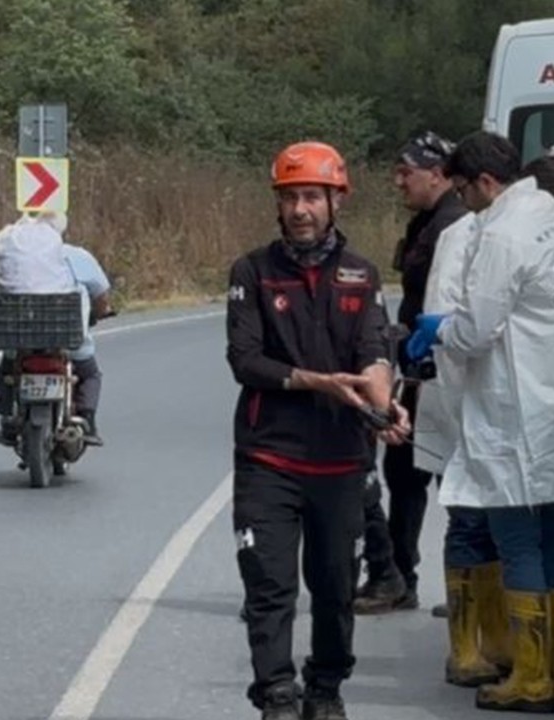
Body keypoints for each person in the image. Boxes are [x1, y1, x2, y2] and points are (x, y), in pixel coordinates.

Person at [407, 133, 554, 713]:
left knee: (517, 538)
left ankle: (530, 679)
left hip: (516, 412)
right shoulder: (552, 216)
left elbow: (476, 332)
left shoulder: (502, 232)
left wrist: (437, 332)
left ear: (483, 182)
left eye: (463, 188)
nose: (462, 200)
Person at [227, 140, 411, 720]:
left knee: (334, 592)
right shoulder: (252, 272)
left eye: (312, 197)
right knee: (270, 588)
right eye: (290, 198)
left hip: (340, 462)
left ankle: (326, 689)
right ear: (277, 206)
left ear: (336, 201)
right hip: (269, 459)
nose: (300, 209)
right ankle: (277, 694)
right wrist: (316, 382)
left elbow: (374, 354)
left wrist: (386, 408)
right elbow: (245, 361)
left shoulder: (362, 274)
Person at [354, 131, 467, 615]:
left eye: (408, 172)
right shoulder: (428, 223)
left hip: (442, 368)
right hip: (421, 368)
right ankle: (402, 574)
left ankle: (452, 583)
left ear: (438, 174)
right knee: (408, 470)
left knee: (445, 476)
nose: (398, 181)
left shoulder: (455, 227)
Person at [0, 212, 111, 447]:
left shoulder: (10, 254)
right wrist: (101, 310)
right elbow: (100, 293)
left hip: (19, 335)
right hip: (63, 333)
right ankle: (87, 418)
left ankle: (6, 411)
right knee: (89, 372)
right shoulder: (73, 255)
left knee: (6, 367)